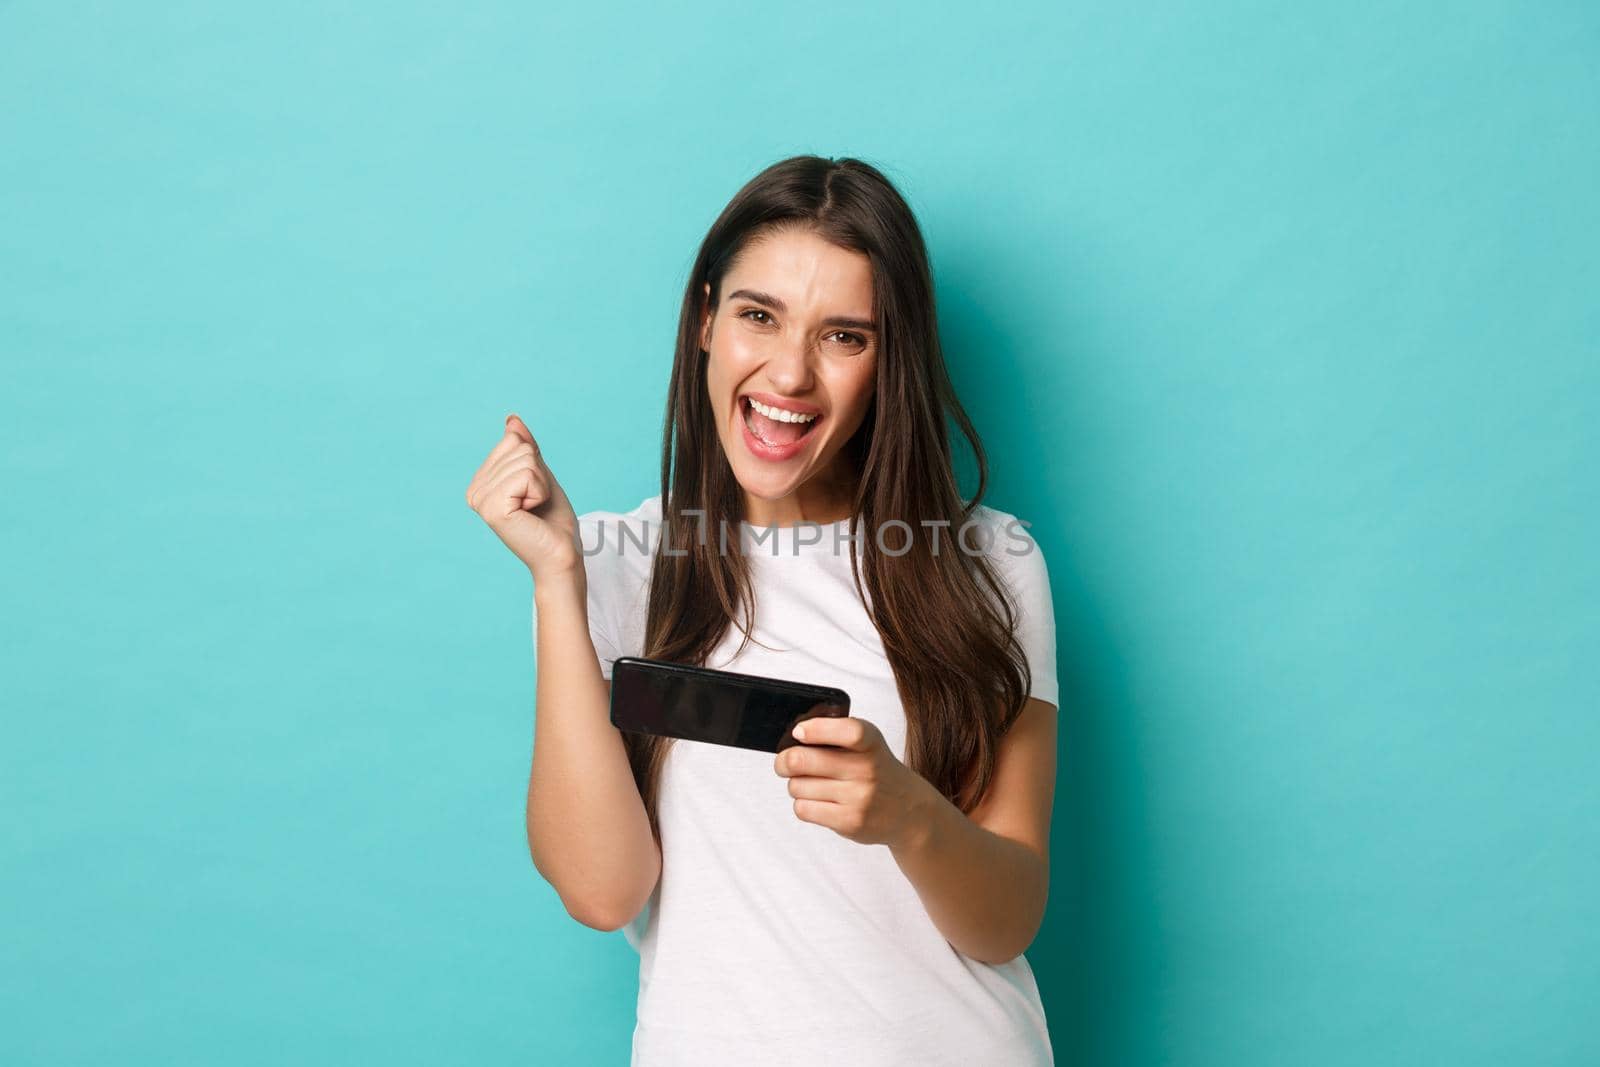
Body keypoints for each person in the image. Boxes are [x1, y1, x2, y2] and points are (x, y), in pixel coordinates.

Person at [465, 155, 1060, 1065]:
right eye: (758, 316)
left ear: (889, 359)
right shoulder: (614, 563)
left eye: (845, 337)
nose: (790, 374)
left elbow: (1007, 917)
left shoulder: (993, 562)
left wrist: (909, 813)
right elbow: (601, 889)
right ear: (706, 320)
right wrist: (556, 579)